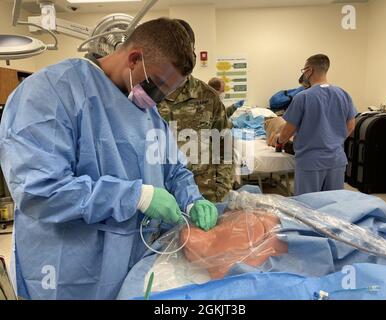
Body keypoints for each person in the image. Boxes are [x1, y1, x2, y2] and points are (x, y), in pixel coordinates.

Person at [0, 18, 219, 300]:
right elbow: (39, 190)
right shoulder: (52, 92)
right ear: (134, 58)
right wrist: (135, 196)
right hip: (71, 271)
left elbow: (173, 168)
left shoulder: (148, 114)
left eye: (167, 92)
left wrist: (192, 198)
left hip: (133, 266)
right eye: (157, 86)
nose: (159, 98)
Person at [157, 20, 233, 203]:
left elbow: (225, 147)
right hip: (158, 197)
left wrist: (220, 192)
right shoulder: (144, 96)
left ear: (193, 55)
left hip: (203, 196)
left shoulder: (208, 97)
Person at [277, 54, 357, 196]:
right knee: (333, 206)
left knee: (307, 208)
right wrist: (333, 140)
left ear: (309, 71)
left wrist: (279, 140)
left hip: (310, 163)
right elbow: (351, 125)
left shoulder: (303, 97)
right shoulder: (343, 94)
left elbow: (287, 131)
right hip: (336, 161)